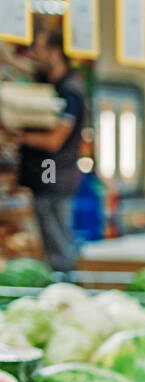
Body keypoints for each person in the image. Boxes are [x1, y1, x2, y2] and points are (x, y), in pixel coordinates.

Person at [16, 31, 86, 274]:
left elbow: (54, 140)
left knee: (58, 250)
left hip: (53, 179)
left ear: (55, 53)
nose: (36, 55)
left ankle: (66, 297)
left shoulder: (70, 91)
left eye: (41, 49)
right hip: (44, 180)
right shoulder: (51, 85)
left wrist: (18, 135)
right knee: (50, 246)